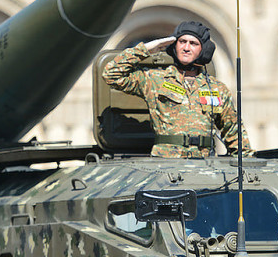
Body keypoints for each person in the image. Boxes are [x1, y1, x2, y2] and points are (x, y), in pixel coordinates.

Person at [102, 21, 253, 158]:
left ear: (204, 50)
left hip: (204, 163)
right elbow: (111, 74)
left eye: (193, 43)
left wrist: (245, 161)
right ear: (175, 45)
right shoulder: (155, 80)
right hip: (166, 162)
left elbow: (233, 129)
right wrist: (146, 49)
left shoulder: (216, 88)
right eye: (182, 42)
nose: (186, 48)